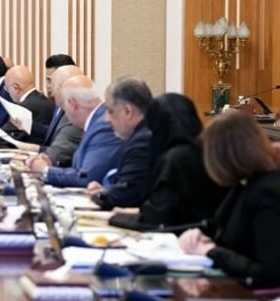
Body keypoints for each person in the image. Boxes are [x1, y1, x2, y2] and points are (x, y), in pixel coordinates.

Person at [179, 112, 280, 288]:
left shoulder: (271, 193)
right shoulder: (247, 181)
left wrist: (211, 251)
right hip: (233, 287)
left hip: (258, 298)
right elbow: (221, 229)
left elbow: (268, 274)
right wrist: (201, 236)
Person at [109, 94, 228, 231]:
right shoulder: (210, 151)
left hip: (181, 236)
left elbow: (158, 218)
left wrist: (115, 218)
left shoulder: (175, 160)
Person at [29, 75, 123, 188]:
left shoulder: (104, 126)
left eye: (64, 108)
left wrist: (45, 171)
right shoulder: (96, 121)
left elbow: (87, 177)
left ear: (72, 104)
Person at [88, 76, 153, 209]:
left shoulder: (142, 142)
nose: (106, 119)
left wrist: (99, 196)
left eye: (110, 111)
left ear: (128, 111)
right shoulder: (143, 134)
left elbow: (123, 198)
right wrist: (108, 190)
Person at [1, 65, 55, 144]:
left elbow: (5, 137)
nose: (8, 92)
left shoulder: (23, 107)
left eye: (7, 88)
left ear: (16, 87)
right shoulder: (46, 101)